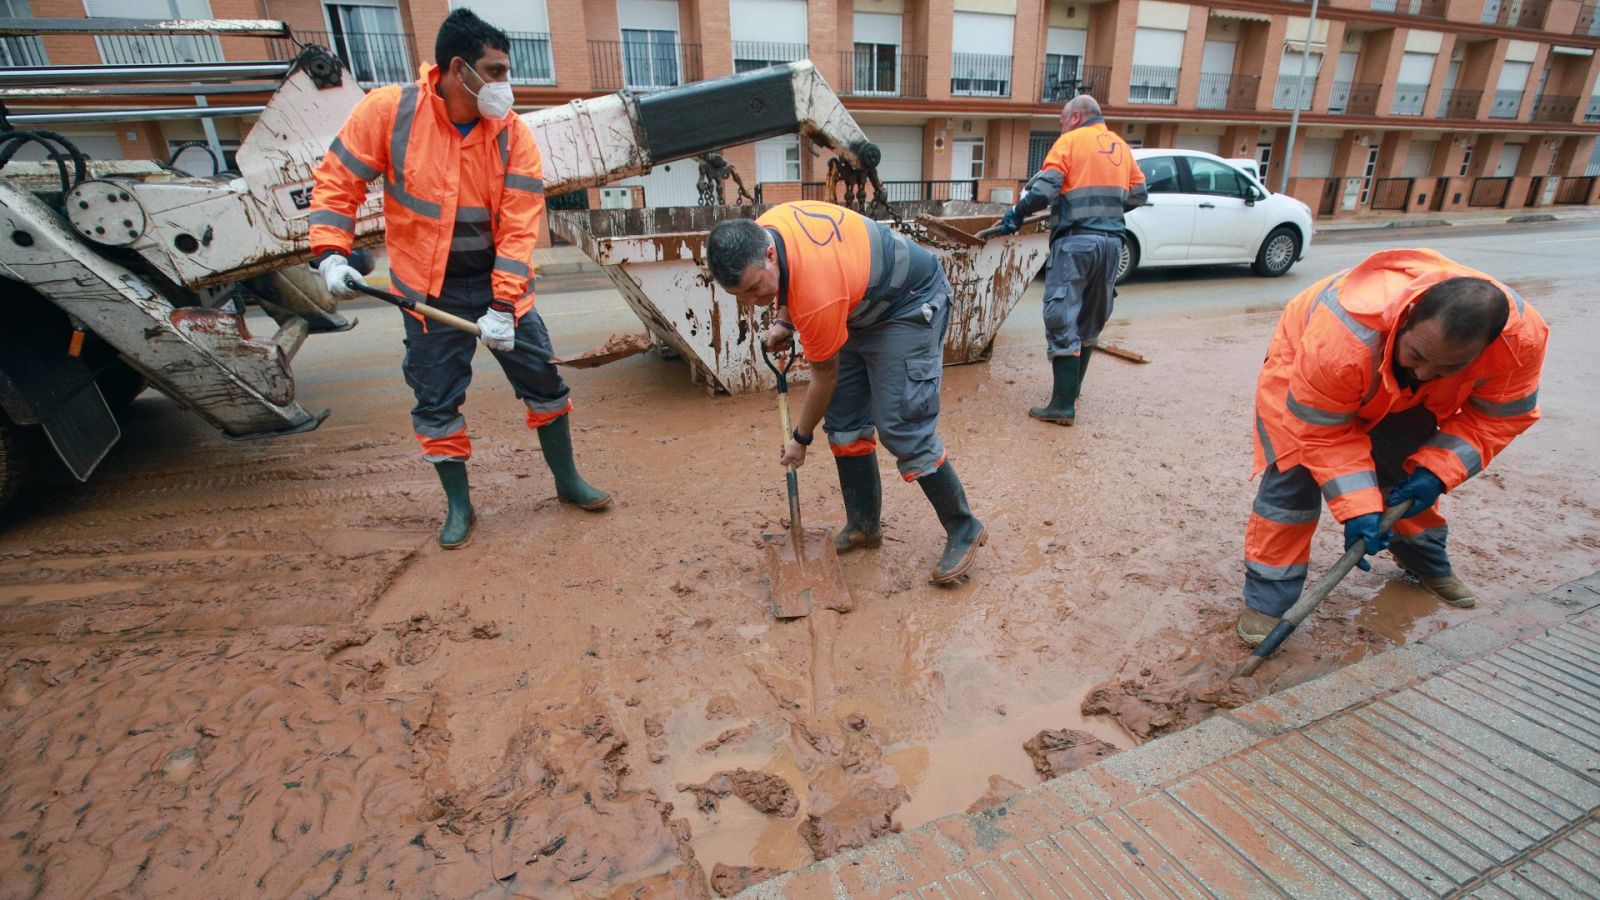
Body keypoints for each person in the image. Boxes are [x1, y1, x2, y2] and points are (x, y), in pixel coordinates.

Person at [309, 8, 609, 550]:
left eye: (505, 71)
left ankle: (567, 481)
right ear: (456, 69)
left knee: (544, 383)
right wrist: (332, 254)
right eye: (494, 72)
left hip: (499, 291)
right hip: (427, 295)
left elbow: (520, 227)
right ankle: (459, 507)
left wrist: (502, 305)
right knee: (435, 400)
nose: (505, 85)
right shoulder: (391, 113)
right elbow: (337, 182)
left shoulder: (513, 135)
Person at [1238, 248, 1548, 645]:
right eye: (1416, 354)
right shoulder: (1343, 336)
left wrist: (1437, 472)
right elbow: (1324, 434)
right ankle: (1268, 603)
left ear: (1486, 349)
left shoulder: (1520, 343)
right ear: (1406, 318)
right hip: (1313, 372)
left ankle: (1426, 563)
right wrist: (1358, 510)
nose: (1423, 372)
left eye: (1449, 367)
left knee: (1409, 478)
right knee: (1291, 487)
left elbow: (1499, 417)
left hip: (1397, 386)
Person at [705, 201, 985, 584]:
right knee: (845, 420)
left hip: (909, 301)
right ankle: (863, 525)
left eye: (756, 289)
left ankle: (964, 527)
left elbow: (824, 378)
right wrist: (785, 320)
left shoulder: (817, 294)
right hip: (855, 302)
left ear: (769, 253)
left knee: (901, 424)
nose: (755, 302)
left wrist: (800, 440)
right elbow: (790, 280)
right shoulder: (764, 233)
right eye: (743, 295)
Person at [993, 94, 1146, 425]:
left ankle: (1062, 405)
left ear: (1075, 116)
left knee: (1061, 313)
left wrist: (1017, 214)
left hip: (1076, 241)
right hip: (1112, 244)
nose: (1061, 126)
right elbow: (1139, 193)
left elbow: (1044, 190)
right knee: (1092, 315)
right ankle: (1072, 389)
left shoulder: (1070, 142)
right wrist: (1106, 213)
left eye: (1062, 121)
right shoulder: (1120, 146)